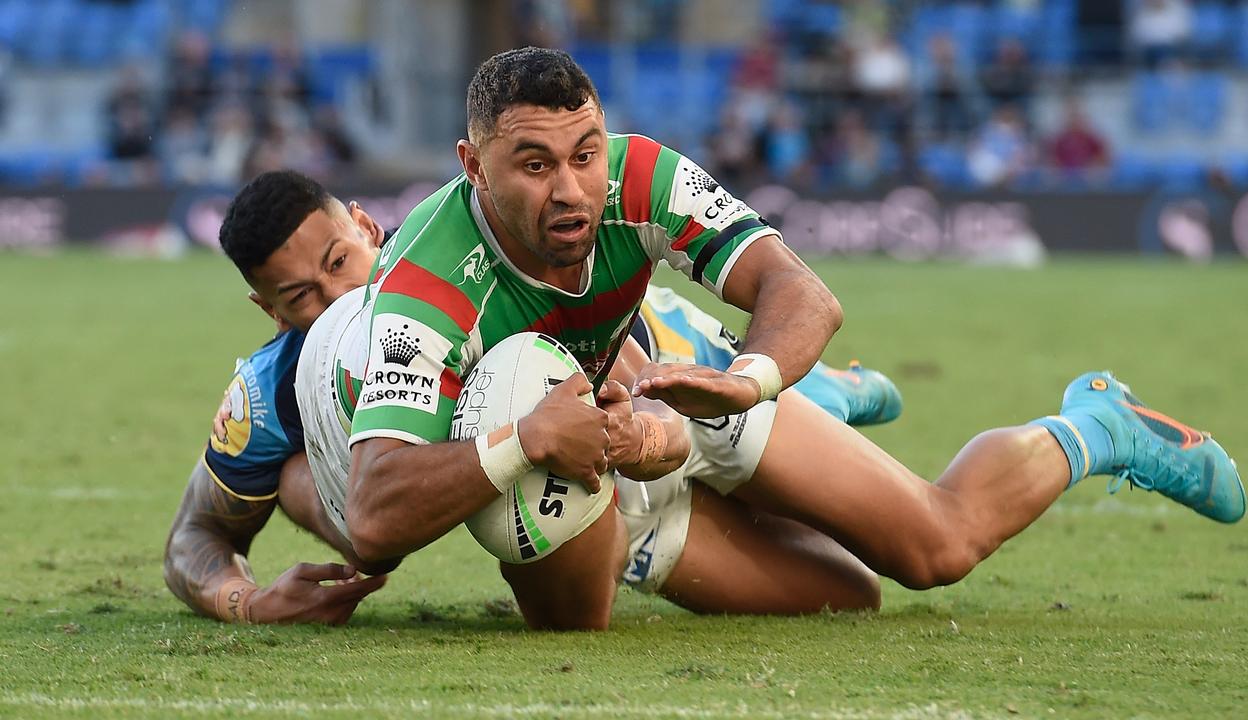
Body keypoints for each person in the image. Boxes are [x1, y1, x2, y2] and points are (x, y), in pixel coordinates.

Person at [323, 47, 1245, 631]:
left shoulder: (639, 178)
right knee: (833, 599)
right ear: (471, 166)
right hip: (580, 458)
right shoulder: (424, 288)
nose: (570, 189)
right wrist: (529, 438)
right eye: (532, 165)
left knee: (934, 551)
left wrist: (752, 377)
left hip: (683, 386)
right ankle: (782, 428)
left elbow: (798, 290)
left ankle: (1099, 427)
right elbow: (373, 515)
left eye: (584, 152)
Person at [164, 168, 900, 624]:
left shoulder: (452, 286)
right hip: (589, 470)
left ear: (365, 227)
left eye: (340, 262)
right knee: (293, 480)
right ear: (269, 313)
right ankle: (622, 535)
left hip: (672, 363)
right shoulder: (270, 396)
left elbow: (640, 396)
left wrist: (649, 434)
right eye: (301, 296)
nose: (335, 296)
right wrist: (250, 603)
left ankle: (839, 390)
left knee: (895, 525)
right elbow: (193, 539)